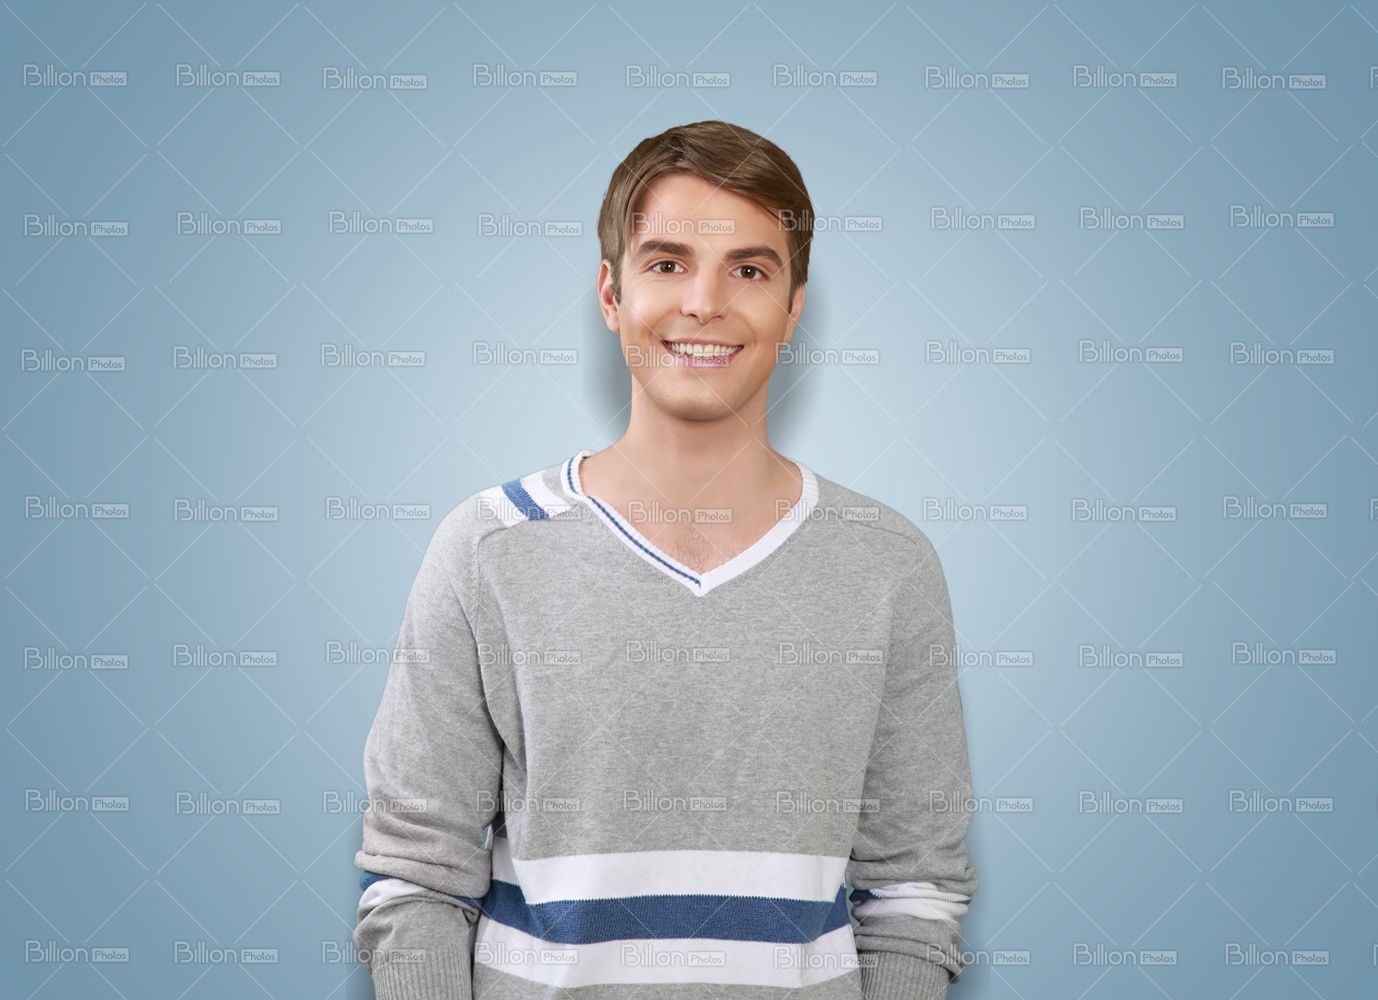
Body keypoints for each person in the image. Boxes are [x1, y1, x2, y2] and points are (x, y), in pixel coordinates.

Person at [352, 119, 979, 999]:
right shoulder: (486, 549)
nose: (704, 302)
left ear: (794, 306)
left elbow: (912, 892)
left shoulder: (889, 566)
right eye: (668, 263)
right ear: (611, 294)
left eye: (749, 270)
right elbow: (417, 881)